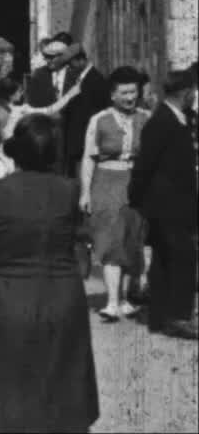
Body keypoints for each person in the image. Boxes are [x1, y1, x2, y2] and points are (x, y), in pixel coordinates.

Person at [0, 114, 99, 433]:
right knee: (61, 383)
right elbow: (81, 249)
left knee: (7, 386)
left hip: (6, 296)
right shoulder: (69, 190)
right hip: (61, 295)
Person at [128, 69, 198, 340]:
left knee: (163, 259)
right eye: (193, 91)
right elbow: (145, 165)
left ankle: (160, 315)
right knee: (182, 257)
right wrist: (136, 198)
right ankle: (178, 316)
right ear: (186, 92)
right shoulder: (162, 122)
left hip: (176, 204)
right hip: (167, 205)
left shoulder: (180, 119)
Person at [79, 66, 151, 323]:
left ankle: (125, 298)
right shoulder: (99, 120)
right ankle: (111, 302)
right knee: (110, 240)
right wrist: (85, 192)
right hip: (107, 182)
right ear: (112, 95)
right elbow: (89, 158)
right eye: (124, 93)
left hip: (137, 183)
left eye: (133, 92)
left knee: (132, 238)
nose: (130, 97)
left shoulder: (147, 117)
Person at [55, 44, 110, 177]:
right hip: (77, 145)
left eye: (71, 63)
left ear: (81, 60)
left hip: (84, 145)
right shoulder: (80, 79)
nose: (70, 67)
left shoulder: (95, 80)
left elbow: (93, 115)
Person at [0, 74, 81, 140]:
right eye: (19, 91)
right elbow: (50, 110)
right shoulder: (20, 111)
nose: (21, 93)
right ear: (11, 95)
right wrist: (70, 94)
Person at [25, 38, 69, 107]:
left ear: (62, 56)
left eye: (51, 57)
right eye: (45, 57)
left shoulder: (75, 74)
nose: (47, 60)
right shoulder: (39, 75)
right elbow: (32, 103)